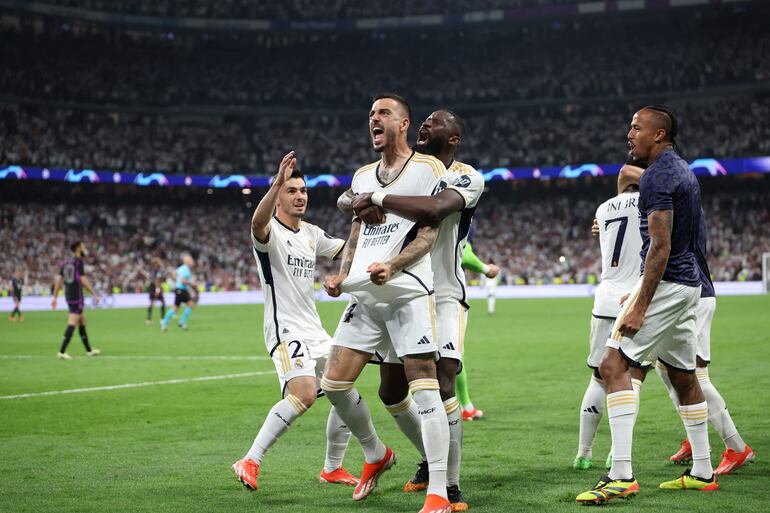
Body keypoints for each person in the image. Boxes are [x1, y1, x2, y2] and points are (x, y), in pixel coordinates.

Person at [576, 105, 717, 504]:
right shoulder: (682, 170)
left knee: (612, 364)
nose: (629, 134)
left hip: (670, 283)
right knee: (682, 374)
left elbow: (660, 246)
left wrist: (640, 301)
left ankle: (621, 473)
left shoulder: (657, 176)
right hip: (689, 285)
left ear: (659, 135)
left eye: (637, 128)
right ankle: (703, 470)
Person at [351, 108, 488, 511]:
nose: (426, 126)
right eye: (423, 121)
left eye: (436, 122)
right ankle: (430, 459)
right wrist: (359, 200)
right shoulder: (405, 171)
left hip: (443, 295)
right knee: (391, 390)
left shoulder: (467, 176)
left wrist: (374, 198)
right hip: (402, 291)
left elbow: (433, 210)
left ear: (455, 138)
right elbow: (348, 194)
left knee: (442, 382)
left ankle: (451, 486)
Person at [321, 94, 452, 513]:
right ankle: (377, 453)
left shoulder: (427, 168)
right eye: (371, 114)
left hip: (407, 289)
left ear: (403, 123)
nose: (373, 119)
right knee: (334, 383)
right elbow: (357, 234)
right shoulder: (362, 176)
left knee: (422, 383)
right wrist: (343, 273)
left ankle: (439, 493)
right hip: (365, 292)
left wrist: (393, 265)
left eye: (383, 113)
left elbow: (429, 233)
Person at [232, 152, 358, 492]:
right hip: (285, 332)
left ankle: (333, 468)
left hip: (316, 332)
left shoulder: (311, 233)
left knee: (346, 392)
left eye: (303, 190)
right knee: (302, 394)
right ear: (278, 196)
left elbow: (347, 250)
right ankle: (250, 460)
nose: (300, 195)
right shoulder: (269, 231)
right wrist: (276, 181)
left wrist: (366, 223)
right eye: (292, 190)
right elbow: (256, 223)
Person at [656, 208, 755, 475]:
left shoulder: (675, 198)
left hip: (692, 295)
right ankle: (694, 433)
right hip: (682, 294)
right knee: (668, 371)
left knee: (694, 377)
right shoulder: (678, 196)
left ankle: (736, 446)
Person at [573, 161, 644, 471]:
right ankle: (617, 451)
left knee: (598, 377)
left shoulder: (603, 209)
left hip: (605, 298)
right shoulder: (656, 202)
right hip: (639, 298)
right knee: (632, 378)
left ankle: (583, 453)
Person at [52, 241, 101, 359]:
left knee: (82, 321)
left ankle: (89, 350)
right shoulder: (78, 262)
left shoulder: (65, 262)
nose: (84, 249)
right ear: (78, 248)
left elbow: (59, 280)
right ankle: (62, 351)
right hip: (77, 296)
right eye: (83, 246)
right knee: (73, 322)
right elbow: (83, 280)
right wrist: (94, 294)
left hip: (68, 295)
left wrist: (55, 296)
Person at [160, 254, 195, 331]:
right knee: (176, 308)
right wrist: (191, 283)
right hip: (181, 289)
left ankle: (181, 322)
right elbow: (183, 281)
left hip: (180, 289)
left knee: (189, 305)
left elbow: (174, 274)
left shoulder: (182, 268)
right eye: (191, 260)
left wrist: (177, 280)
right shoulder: (185, 269)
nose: (193, 262)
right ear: (187, 261)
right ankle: (166, 322)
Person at [146, 257, 166, 325]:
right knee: (161, 302)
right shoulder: (157, 270)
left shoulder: (153, 270)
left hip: (153, 287)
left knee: (152, 303)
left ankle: (149, 319)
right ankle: (162, 319)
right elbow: (157, 280)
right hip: (154, 287)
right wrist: (157, 289)